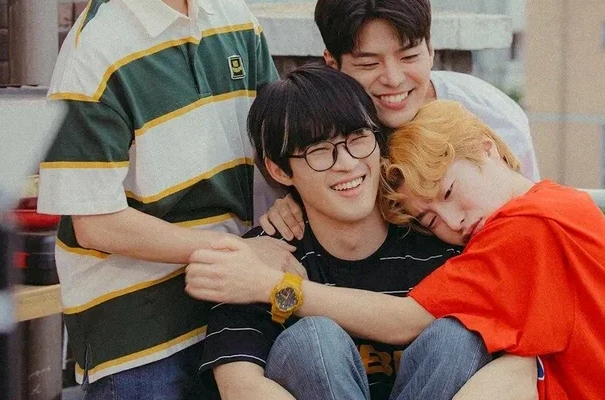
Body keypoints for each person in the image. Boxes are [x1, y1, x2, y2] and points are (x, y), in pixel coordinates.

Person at [187, 100, 605, 399]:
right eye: (429, 220)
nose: (453, 222)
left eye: (449, 191)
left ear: (488, 147)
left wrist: (276, 287)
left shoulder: (528, 227)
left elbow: (405, 320)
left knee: (465, 344)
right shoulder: (556, 206)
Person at [185, 65, 537, 400]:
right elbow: (241, 389)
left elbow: (519, 366)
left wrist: (279, 289)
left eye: (357, 139)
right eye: (319, 151)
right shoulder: (260, 258)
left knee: (457, 337)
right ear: (279, 170)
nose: (348, 163)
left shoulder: (437, 237)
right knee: (314, 341)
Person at [37, 0, 295, 398]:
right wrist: (238, 251)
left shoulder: (235, 17)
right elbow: (96, 224)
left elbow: (277, 145)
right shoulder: (95, 50)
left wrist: (289, 200)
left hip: (237, 314)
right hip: (142, 340)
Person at [262, 0, 539, 241]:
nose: (394, 79)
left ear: (430, 49)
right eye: (369, 64)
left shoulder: (492, 115)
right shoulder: (308, 130)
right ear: (333, 64)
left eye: (409, 56)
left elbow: (533, 209)